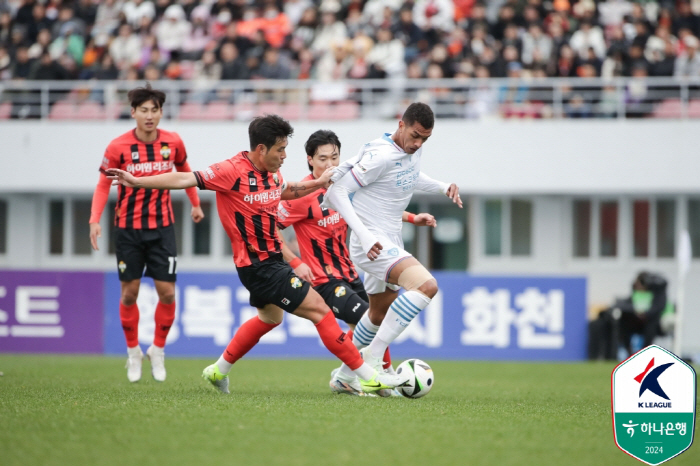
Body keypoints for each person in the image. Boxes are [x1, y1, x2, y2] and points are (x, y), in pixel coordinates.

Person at [107, 114, 410, 395]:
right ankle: (368, 377)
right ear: (261, 148)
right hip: (257, 265)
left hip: (269, 263)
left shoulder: (273, 173)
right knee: (320, 310)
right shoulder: (231, 171)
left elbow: (286, 191)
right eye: (280, 149)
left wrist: (317, 183)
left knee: (269, 318)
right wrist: (137, 180)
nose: (284, 155)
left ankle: (218, 370)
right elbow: (185, 178)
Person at [276, 129, 437, 396]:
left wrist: (413, 218)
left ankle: (348, 376)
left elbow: (374, 211)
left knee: (376, 317)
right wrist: (295, 262)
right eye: (323, 159)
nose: (330, 165)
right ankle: (380, 376)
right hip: (324, 280)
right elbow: (270, 229)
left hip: (350, 272)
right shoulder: (301, 196)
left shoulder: (345, 187)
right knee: (367, 318)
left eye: (335, 157)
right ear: (310, 160)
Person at [322, 102, 462, 386]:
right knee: (426, 286)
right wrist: (362, 234)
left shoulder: (409, 150)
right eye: (415, 135)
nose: (418, 143)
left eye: (425, 138)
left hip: (388, 237)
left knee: (378, 312)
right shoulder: (379, 156)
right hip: (371, 242)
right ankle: (372, 357)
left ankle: (345, 376)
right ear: (401, 125)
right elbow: (337, 192)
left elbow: (408, 176)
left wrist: (441, 186)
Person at [89, 84, 204, 383]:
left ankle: (158, 350)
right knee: (130, 293)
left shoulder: (173, 142)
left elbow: (185, 172)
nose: (150, 116)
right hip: (127, 229)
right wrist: (94, 219)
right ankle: (133, 352)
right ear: (133, 113)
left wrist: (195, 204)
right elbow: (103, 185)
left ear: (161, 112)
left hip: (162, 227)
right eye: (144, 110)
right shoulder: (117, 147)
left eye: (155, 110)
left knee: (167, 292)